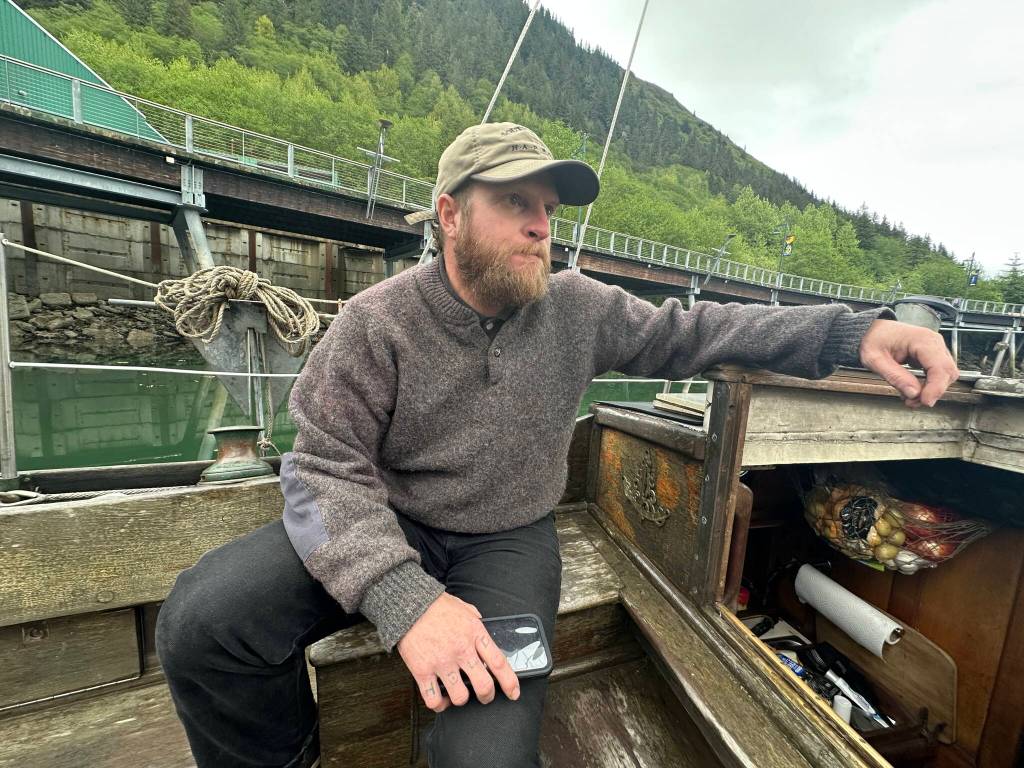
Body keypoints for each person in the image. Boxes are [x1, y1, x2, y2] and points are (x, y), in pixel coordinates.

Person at [156, 122, 959, 768]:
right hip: (389, 523)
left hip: (509, 540)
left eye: (547, 208)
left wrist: (852, 335)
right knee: (204, 623)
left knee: (489, 755)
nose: (541, 225)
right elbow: (322, 465)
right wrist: (407, 600)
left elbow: (702, 330)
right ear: (449, 215)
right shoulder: (377, 322)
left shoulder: (580, 309)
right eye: (515, 202)